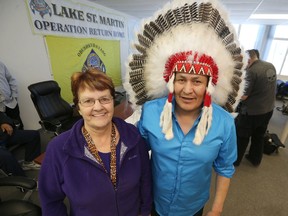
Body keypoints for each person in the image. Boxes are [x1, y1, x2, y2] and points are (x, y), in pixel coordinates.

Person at [123, 0, 247, 215]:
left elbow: (225, 168)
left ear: (208, 85)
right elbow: (136, 153)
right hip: (153, 202)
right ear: (171, 82)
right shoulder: (151, 112)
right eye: (181, 80)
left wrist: (217, 208)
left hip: (193, 207)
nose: (187, 89)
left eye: (197, 81)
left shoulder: (224, 123)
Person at [38, 68, 152, 216]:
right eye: (88, 101)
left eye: (104, 99)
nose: (98, 107)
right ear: (78, 107)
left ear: (112, 101)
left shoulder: (133, 137)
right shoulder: (59, 149)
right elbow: (50, 201)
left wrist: (145, 212)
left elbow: (145, 180)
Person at [234, 49, 277, 166]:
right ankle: (255, 158)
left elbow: (244, 96)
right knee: (259, 135)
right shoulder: (270, 65)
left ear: (248, 59)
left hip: (252, 112)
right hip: (269, 109)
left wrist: (233, 93)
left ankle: (235, 160)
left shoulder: (251, 72)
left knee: (242, 136)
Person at [0, 111, 41, 176]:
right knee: (6, 157)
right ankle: (24, 183)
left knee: (33, 135)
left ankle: (29, 162)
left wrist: (5, 123)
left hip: (3, 135)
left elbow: (1, 115)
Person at [0, 60, 24, 129]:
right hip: (0, 109)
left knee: (19, 126)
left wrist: (14, 96)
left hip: (11, 103)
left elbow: (11, 80)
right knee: (7, 132)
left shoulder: (1, 64)